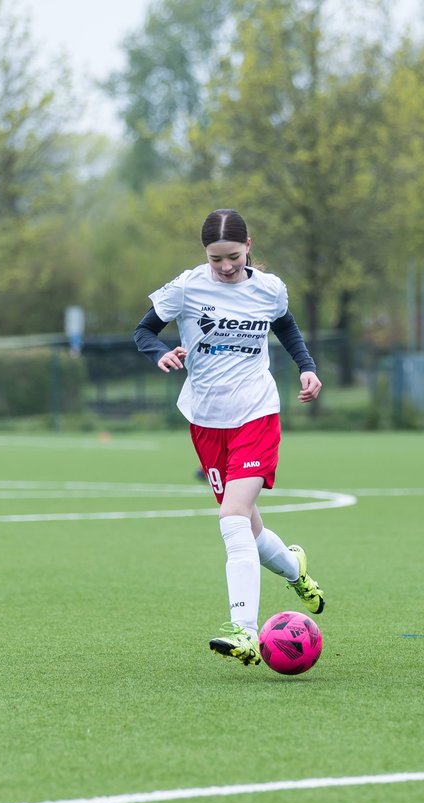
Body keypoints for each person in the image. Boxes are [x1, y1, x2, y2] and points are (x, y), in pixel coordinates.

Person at [134, 209, 325, 667]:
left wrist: (307, 367)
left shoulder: (269, 288)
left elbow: (286, 326)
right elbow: (142, 331)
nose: (224, 267)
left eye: (233, 257)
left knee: (231, 517)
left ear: (249, 246)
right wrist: (161, 353)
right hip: (205, 419)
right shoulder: (186, 287)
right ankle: (293, 568)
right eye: (216, 258)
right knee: (250, 528)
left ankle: (243, 630)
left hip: (257, 413)